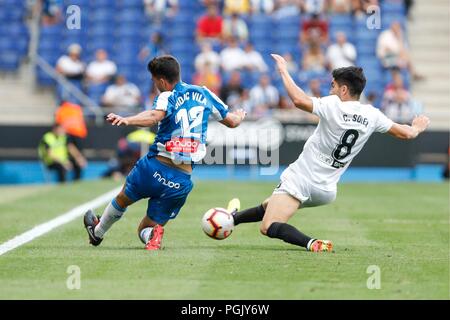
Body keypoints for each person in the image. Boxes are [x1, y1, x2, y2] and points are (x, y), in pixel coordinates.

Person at [227, 54, 430, 252]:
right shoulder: (372, 114)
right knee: (270, 205)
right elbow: (406, 133)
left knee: (268, 225)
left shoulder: (333, 105)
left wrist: (283, 71)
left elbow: (298, 100)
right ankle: (232, 219)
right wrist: (417, 127)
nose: (330, 90)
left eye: (332, 85)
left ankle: (312, 243)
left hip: (302, 177)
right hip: (325, 190)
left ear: (343, 89)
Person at [83, 55, 246, 250]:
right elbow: (233, 122)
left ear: (161, 80)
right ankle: (152, 234)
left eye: (154, 80)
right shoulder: (204, 93)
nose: (154, 84)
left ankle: (98, 232)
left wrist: (127, 120)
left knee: (122, 198)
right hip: (181, 181)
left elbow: (154, 116)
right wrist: (240, 116)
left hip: (153, 168)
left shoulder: (167, 96)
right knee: (144, 227)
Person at [55, 101, 88, 181]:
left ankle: (73, 178)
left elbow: (58, 122)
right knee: (77, 162)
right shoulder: (77, 108)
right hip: (80, 133)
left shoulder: (61, 110)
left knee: (72, 157)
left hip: (68, 132)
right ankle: (77, 179)